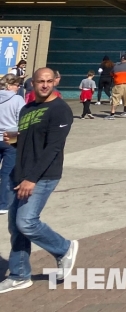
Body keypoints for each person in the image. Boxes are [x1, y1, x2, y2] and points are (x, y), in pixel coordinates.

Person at [0, 67, 78, 294]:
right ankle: (19, 275)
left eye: (48, 81)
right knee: (16, 227)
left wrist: (32, 179)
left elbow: (53, 148)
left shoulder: (60, 110)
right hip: (20, 174)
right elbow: (29, 140)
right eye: (40, 81)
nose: (44, 85)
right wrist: (14, 140)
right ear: (31, 83)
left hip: (43, 175)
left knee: (27, 222)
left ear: (55, 81)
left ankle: (63, 248)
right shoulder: (27, 109)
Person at [0, 75, 26, 215]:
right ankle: (3, 204)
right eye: (17, 85)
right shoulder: (17, 99)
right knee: (7, 173)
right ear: (9, 85)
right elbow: (21, 120)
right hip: (10, 137)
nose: (18, 87)